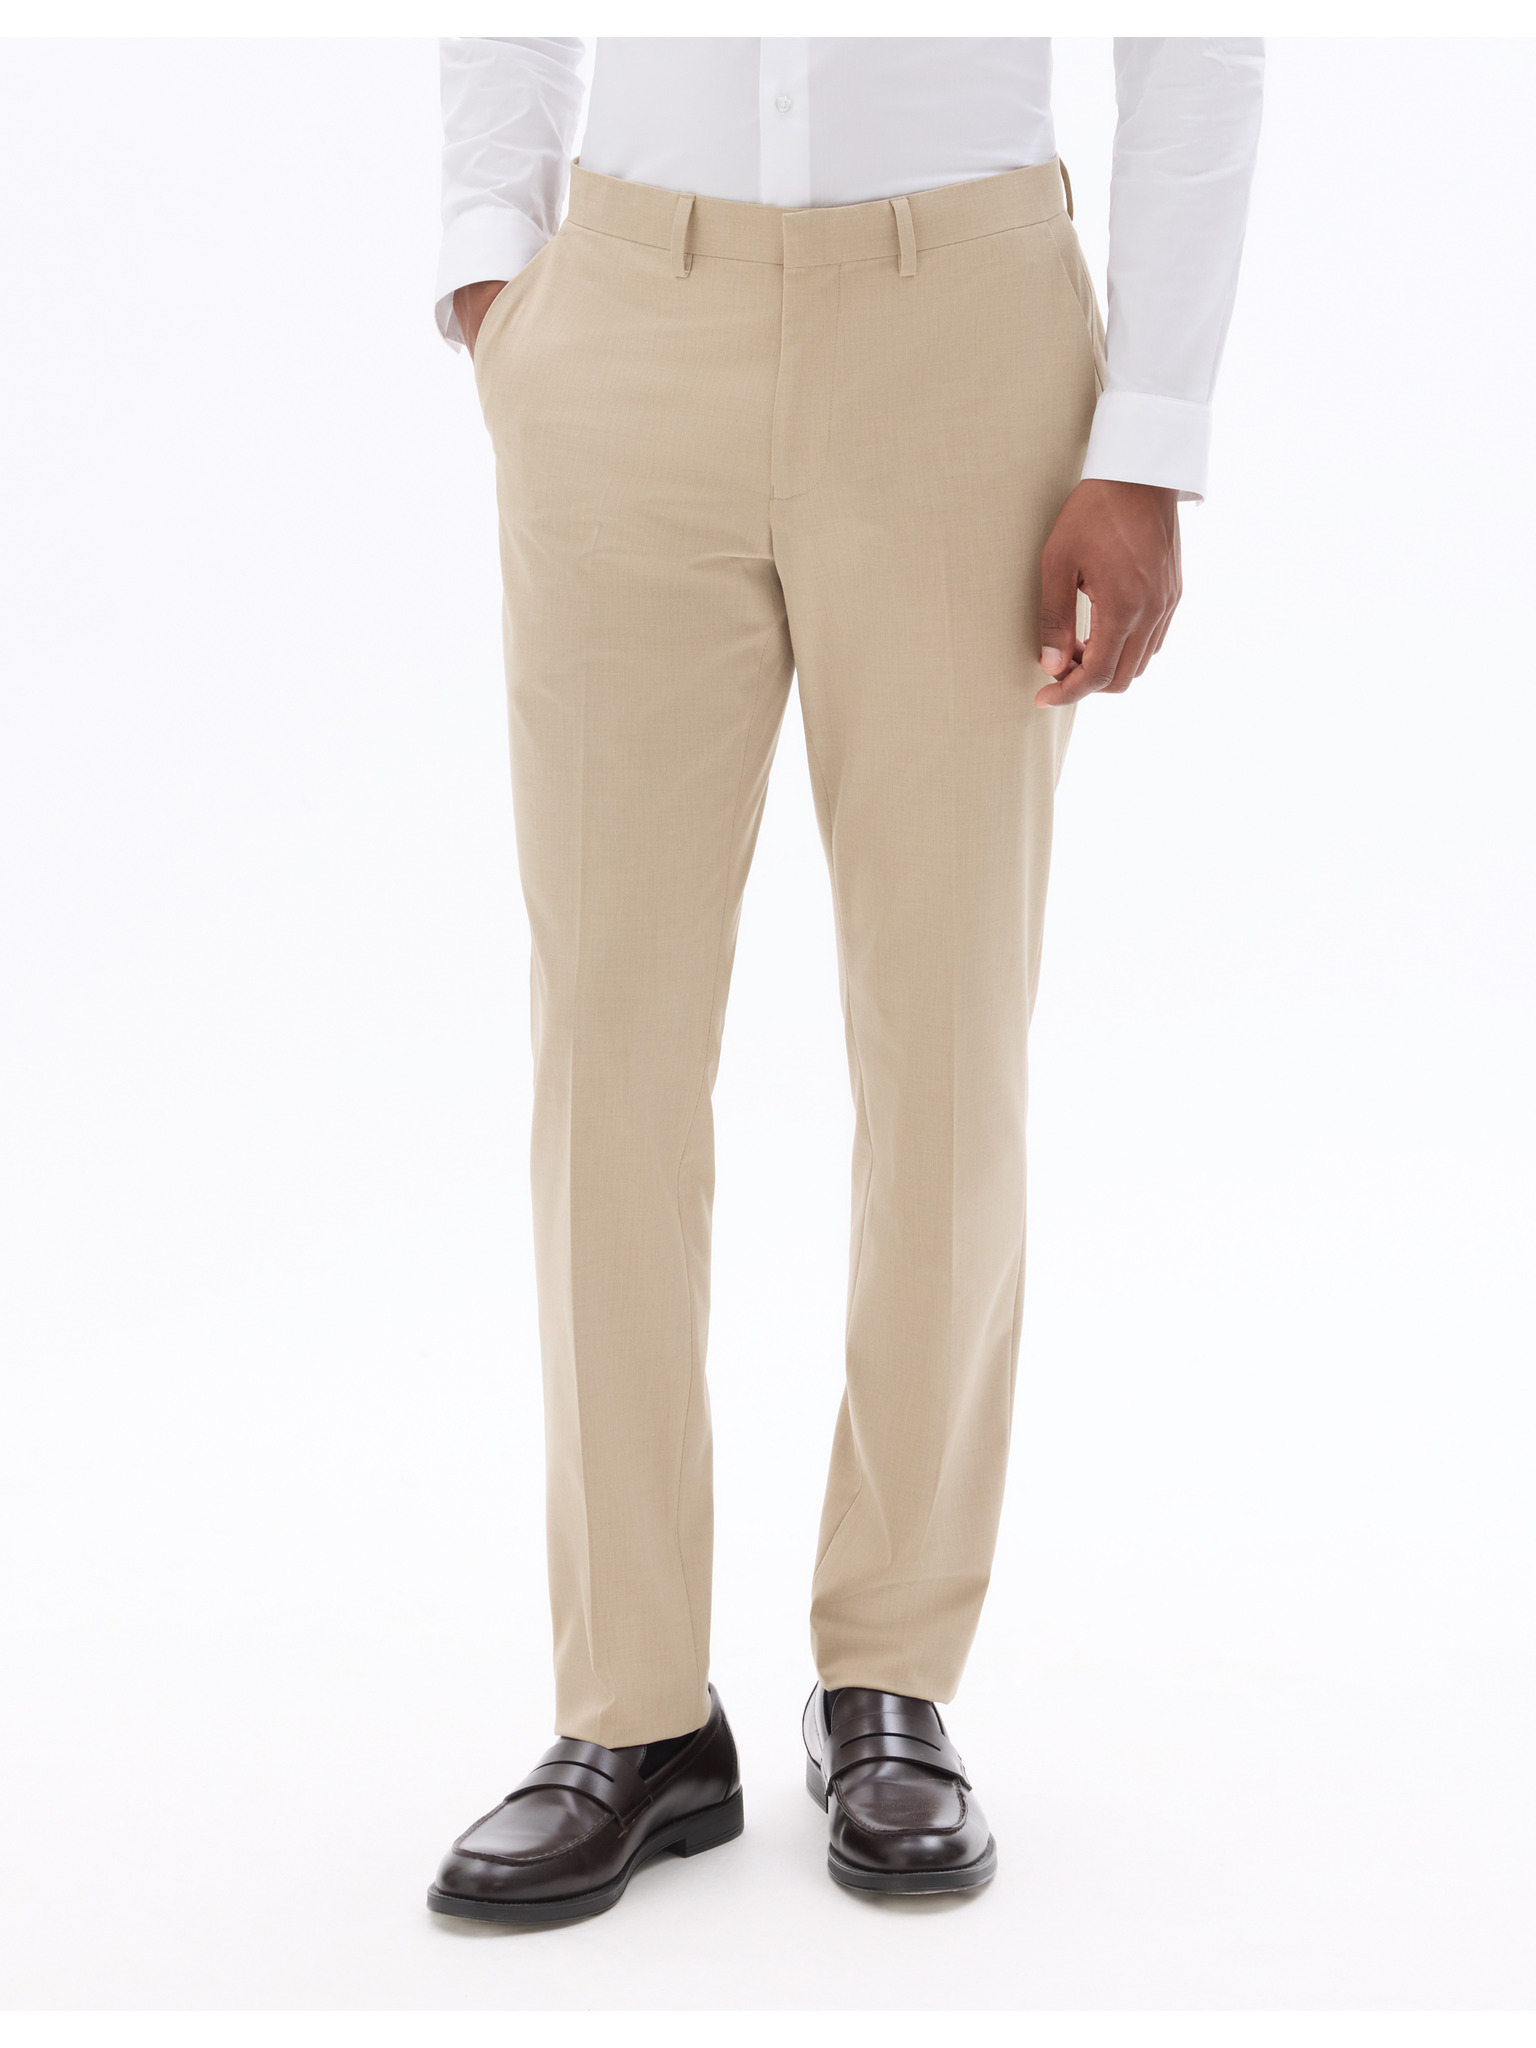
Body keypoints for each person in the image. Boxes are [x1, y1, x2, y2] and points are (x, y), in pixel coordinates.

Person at [425, 36, 1263, 1924]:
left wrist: (1150, 435)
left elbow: (1201, 40)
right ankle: (632, 1708)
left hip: (966, 338)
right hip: (624, 322)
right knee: (608, 1051)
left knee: (945, 1044)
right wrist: (494, 258)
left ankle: (892, 1673)